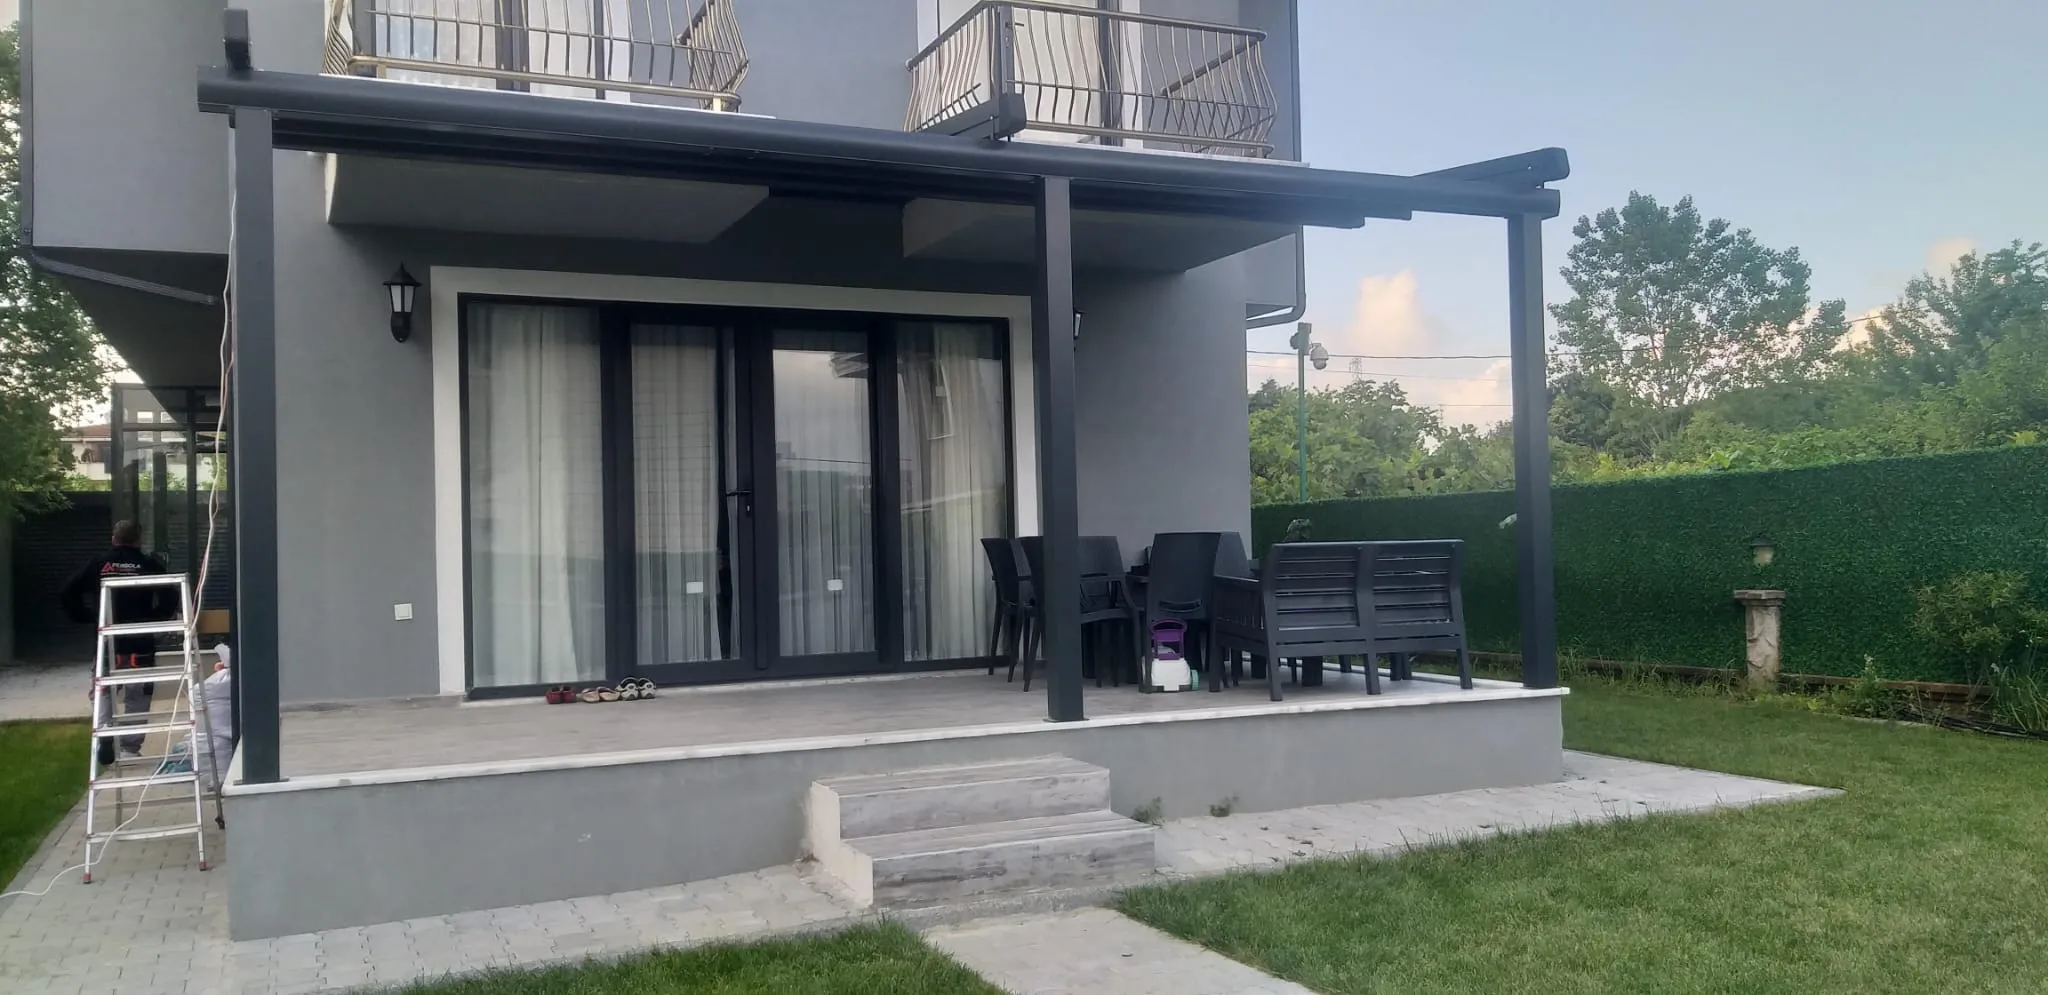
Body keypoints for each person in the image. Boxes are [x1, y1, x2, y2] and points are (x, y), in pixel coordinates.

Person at [62, 521, 172, 766]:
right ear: (139, 540)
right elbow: (171, 594)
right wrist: (156, 618)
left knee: (103, 691)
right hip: (140, 643)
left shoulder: (99, 564)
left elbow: (68, 592)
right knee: (138, 696)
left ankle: (104, 735)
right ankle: (130, 748)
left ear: (114, 539)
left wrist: (87, 617)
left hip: (107, 643)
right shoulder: (148, 565)